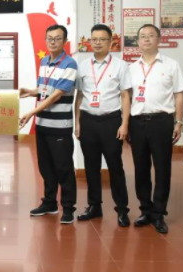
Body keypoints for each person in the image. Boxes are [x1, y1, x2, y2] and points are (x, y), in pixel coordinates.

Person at [128, 24, 183, 233]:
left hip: (162, 121)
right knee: (141, 168)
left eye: (151, 35)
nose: (146, 39)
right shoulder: (131, 68)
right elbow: (126, 98)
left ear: (159, 39)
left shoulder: (171, 65)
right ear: (138, 41)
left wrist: (178, 122)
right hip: (137, 122)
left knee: (162, 168)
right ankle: (145, 210)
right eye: (142, 36)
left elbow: (179, 94)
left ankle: (159, 213)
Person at [19, 24, 78, 224]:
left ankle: (68, 208)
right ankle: (50, 203)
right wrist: (28, 92)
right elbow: (45, 90)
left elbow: (56, 95)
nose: (53, 42)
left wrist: (31, 113)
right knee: (45, 167)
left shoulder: (70, 64)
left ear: (65, 41)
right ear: (45, 40)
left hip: (60, 126)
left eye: (57, 38)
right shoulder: (44, 61)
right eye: (50, 38)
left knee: (63, 167)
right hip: (43, 124)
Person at [74, 24, 131, 227]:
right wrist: (77, 122)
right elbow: (79, 96)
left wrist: (125, 124)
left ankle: (122, 209)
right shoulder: (82, 66)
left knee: (115, 167)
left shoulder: (120, 66)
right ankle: (94, 206)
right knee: (91, 166)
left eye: (102, 39)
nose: (97, 43)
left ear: (110, 42)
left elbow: (125, 96)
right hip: (88, 121)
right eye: (94, 39)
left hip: (111, 121)